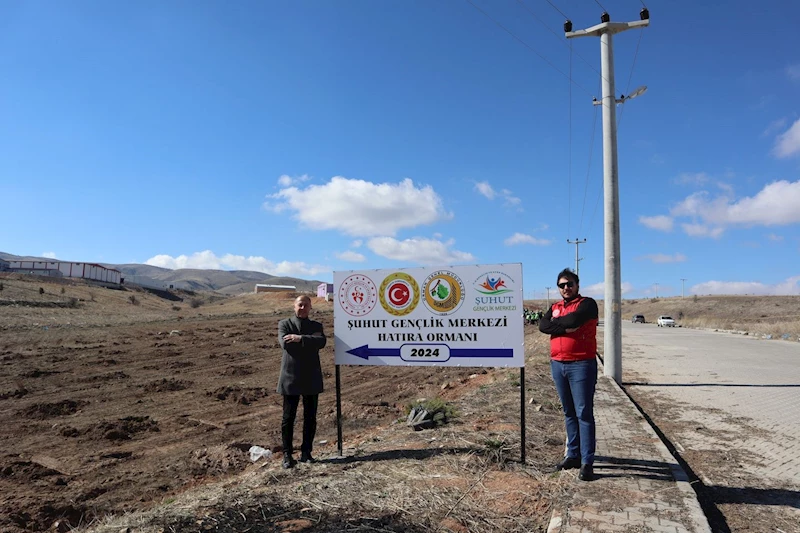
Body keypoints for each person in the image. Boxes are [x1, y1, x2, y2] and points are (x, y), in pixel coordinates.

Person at [538, 268, 599, 481]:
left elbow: (574, 320)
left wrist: (558, 326)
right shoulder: (555, 307)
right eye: (562, 285)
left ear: (577, 285)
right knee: (568, 412)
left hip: (581, 364)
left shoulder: (587, 304)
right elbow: (543, 325)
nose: (566, 288)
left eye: (569, 284)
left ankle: (587, 462)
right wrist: (562, 329)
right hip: (558, 364)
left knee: (583, 413)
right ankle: (573, 455)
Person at [278, 294, 327, 469]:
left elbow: (321, 342)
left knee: (310, 417)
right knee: (288, 418)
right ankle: (287, 455)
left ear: (310, 307)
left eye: (306, 305)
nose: (302, 308)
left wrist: (300, 338)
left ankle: (306, 453)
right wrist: (309, 342)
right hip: (290, 377)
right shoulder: (285, 324)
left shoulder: (316, 326)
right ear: (294, 306)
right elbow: (286, 345)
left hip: (311, 377)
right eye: (300, 304)